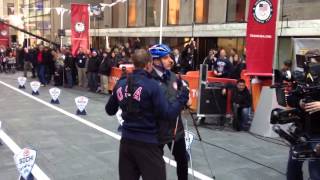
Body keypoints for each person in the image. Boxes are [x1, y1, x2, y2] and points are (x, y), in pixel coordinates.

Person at [105, 49, 189, 180]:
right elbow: (168, 113)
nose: (170, 60)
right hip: (147, 142)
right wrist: (183, 97)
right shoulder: (152, 85)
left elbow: (109, 110)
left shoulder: (121, 83)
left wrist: (120, 91)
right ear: (149, 64)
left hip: (126, 143)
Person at [149, 44, 189, 180]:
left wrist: (185, 98)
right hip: (157, 132)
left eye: (169, 57)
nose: (170, 60)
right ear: (155, 60)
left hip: (176, 129)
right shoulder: (149, 79)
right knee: (156, 167)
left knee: (183, 161)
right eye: (165, 57)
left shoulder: (173, 76)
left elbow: (180, 96)